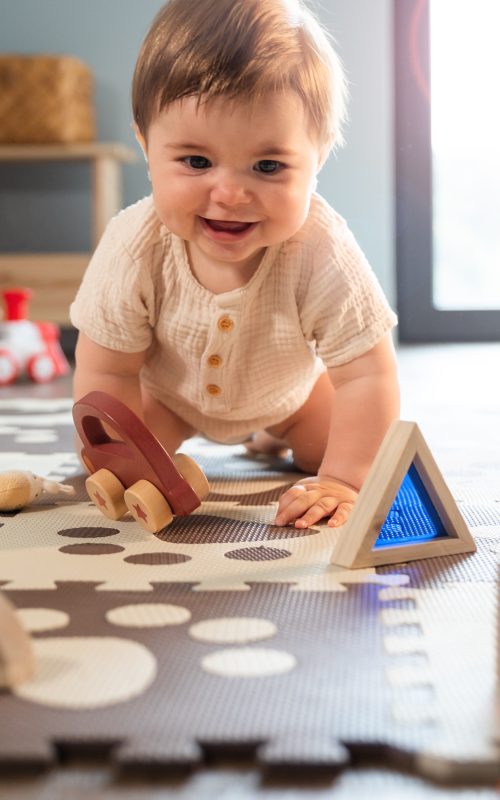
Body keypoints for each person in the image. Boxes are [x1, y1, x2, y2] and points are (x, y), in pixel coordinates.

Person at [71, 0, 399, 531]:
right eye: (196, 162)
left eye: (268, 166)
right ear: (145, 144)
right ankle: (204, 443)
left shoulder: (319, 247)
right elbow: (109, 369)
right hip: (169, 400)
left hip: (291, 398)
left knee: (336, 450)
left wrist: (347, 481)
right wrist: (120, 458)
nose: (229, 195)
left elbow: (367, 372)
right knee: (130, 453)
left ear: (318, 158)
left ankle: (271, 435)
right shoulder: (135, 244)